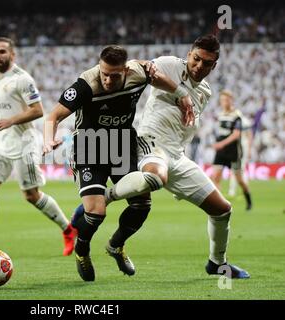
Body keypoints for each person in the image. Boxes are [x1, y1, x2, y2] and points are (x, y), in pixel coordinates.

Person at [82, 35, 249, 279]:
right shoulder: (171, 64)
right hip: (150, 142)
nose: (199, 66)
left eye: (206, 63)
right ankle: (102, 199)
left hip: (176, 155)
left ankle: (217, 263)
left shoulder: (205, 91)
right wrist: (176, 89)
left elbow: (185, 124)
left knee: (222, 209)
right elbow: (135, 67)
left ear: (215, 65)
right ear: (189, 55)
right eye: (196, 59)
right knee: (155, 178)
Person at [44, 45, 193, 281]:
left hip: (122, 145)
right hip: (90, 146)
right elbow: (53, 116)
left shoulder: (138, 73)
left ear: (125, 70)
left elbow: (155, 75)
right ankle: (81, 249)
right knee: (96, 213)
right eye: (104, 73)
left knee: (142, 205)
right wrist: (47, 140)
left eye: (114, 75)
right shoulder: (86, 85)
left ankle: (116, 245)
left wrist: (182, 94)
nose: (108, 80)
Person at [0, 37, 77, 257]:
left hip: (24, 143)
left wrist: (11, 121)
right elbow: (1, 111)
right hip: (1, 143)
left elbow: (38, 110)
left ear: (12, 55)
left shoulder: (23, 79)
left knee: (31, 195)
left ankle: (68, 229)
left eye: (2, 52)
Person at [211, 90, 253, 210]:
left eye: (226, 100)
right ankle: (220, 205)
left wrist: (221, 144)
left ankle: (248, 199)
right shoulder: (221, 115)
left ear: (231, 100)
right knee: (215, 177)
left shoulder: (237, 116)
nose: (224, 102)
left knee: (239, 179)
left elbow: (236, 134)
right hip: (221, 151)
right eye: (222, 100)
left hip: (233, 152)